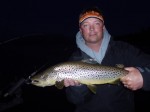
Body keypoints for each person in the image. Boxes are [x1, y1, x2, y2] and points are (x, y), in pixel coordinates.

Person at [63, 6, 150, 112]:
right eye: (86, 25)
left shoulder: (124, 50)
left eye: (96, 23)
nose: (91, 28)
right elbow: (74, 100)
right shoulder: (73, 61)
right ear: (81, 30)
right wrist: (77, 87)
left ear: (103, 27)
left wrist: (144, 77)